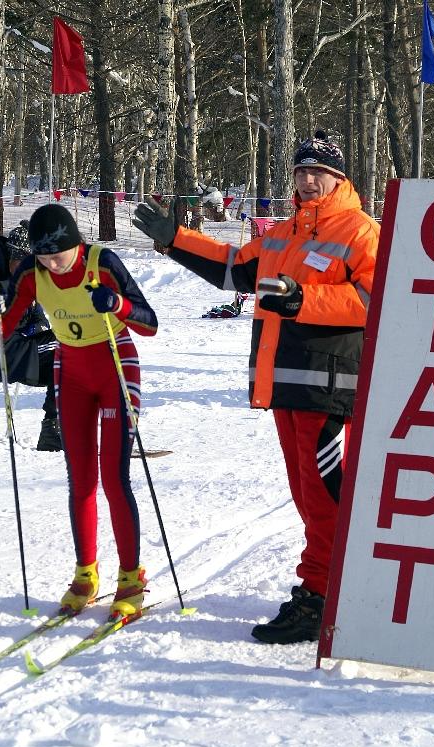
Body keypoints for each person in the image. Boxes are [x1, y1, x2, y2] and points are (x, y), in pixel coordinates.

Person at [133, 130, 379, 644]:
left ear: (340, 180)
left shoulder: (360, 231)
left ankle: (320, 597)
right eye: (301, 172)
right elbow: (232, 271)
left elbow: (374, 299)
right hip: (285, 388)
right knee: (306, 497)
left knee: (325, 499)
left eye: (320, 173)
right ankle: (330, 588)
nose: (308, 181)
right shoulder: (283, 234)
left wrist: (303, 300)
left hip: (331, 390)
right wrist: (174, 237)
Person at [0, 204, 158, 618]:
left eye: (56, 256)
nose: (51, 266)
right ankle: (85, 574)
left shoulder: (102, 262)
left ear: (73, 245)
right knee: (80, 479)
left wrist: (116, 304)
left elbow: (150, 323)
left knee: (115, 478)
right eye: (42, 258)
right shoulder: (32, 273)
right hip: (71, 374)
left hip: (115, 367)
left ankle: (131, 576)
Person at [0, 222, 61, 451]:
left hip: (19, 346)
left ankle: (58, 428)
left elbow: (40, 321)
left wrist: (32, 331)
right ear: (13, 256)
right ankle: (55, 429)